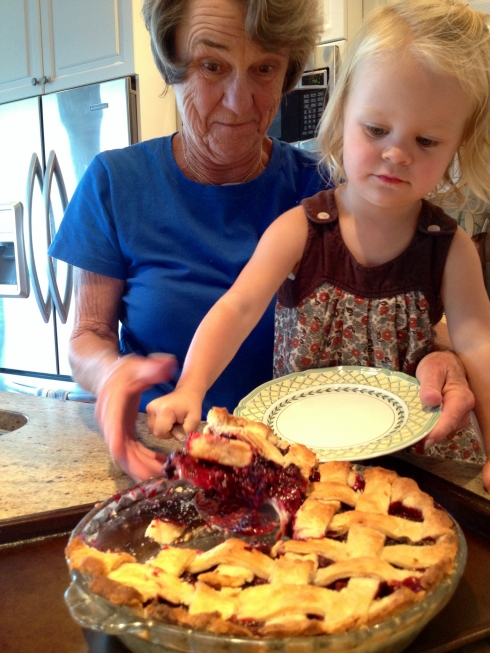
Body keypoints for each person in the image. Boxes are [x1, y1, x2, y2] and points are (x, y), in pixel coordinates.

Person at [49, 0, 474, 483]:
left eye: (264, 68)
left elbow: (406, 303)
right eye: (212, 66)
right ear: (172, 63)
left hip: (312, 463)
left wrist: (443, 357)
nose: (238, 99)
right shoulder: (115, 182)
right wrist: (110, 376)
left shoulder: (337, 190)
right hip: (168, 454)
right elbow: (88, 336)